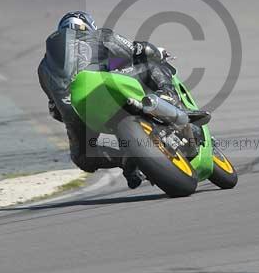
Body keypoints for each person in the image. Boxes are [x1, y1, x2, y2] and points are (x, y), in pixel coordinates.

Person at [38, 11, 177, 189]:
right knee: (149, 64)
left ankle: (126, 157)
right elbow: (138, 50)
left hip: (76, 110)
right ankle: (167, 94)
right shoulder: (99, 35)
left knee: (83, 157)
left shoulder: (44, 67)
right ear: (88, 25)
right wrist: (158, 53)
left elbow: (54, 109)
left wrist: (69, 113)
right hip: (106, 88)